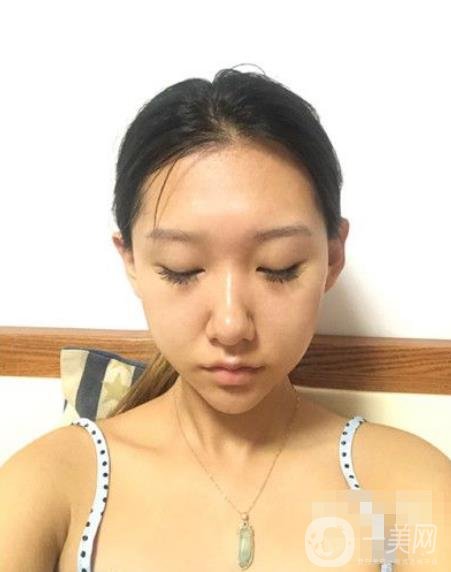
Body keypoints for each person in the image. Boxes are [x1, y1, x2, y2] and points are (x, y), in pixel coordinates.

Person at [1, 66, 450, 572]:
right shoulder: (53, 486)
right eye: (182, 270)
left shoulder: (405, 486)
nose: (232, 326)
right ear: (132, 262)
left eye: (279, 267)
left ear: (333, 257)